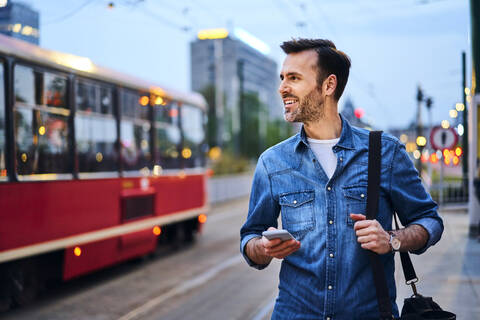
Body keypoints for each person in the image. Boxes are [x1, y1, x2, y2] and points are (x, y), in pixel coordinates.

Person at [240, 39, 444, 320]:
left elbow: (430, 221)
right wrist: (262, 248)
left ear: (328, 85)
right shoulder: (273, 162)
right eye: (282, 78)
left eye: (294, 78)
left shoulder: (385, 152)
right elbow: (250, 236)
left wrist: (392, 239)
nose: (282, 88)